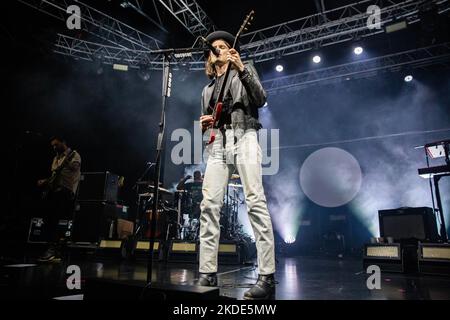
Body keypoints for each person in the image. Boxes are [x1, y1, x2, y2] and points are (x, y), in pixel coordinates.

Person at [196, 30, 276, 300]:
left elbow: (261, 99)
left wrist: (242, 68)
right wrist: (204, 125)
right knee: (209, 205)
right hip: (219, 144)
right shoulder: (207, 89)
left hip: (245, 136)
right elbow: (210, 125)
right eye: (214, 47)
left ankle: (267, 276)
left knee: (255, 200)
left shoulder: (244, 70)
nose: (218, 49)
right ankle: (207, 271)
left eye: (223, 45)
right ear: (210, 55)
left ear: (230, 51)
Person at [37, 136, 81, 262]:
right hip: (55, 191)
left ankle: (53, 249)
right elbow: (55, 175)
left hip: (66, 191)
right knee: (49, 220)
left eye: (56, 145)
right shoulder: (56, 158)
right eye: (53, 146)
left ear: (63, 142)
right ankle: (54, 250)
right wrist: (45, 181)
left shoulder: (74, 155)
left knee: (55, 219)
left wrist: (66, 161)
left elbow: (75, 168)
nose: (54, 148)